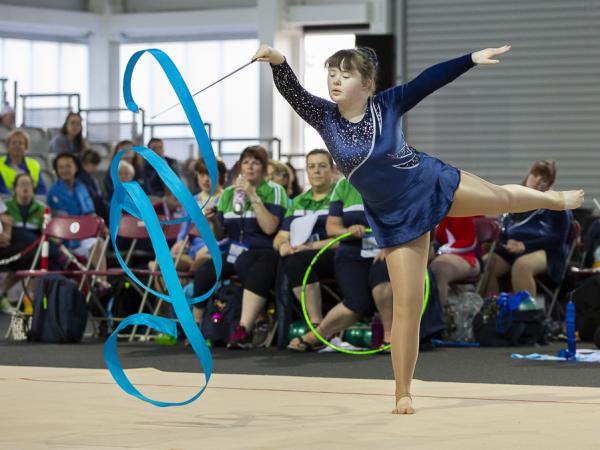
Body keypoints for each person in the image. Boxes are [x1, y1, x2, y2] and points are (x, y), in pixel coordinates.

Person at [254, 43, 584, 414]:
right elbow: (293, 92)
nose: (335, 81)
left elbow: (428, 81)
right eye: (331, 74)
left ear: (366, 83)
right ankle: (402, 392)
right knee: (407, 305)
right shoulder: (324, 117)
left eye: (345, 75)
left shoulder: (387, 105)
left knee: (501, 198)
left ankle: (553, 200)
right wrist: (278, 61)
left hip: (428, 181)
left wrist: (471, 59)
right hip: (395, 218)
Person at [193, 145, 288, 348]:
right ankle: (195, 327)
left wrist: (253, 196)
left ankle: (250, 324)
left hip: (264, 251)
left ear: (263, 167)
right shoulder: (228, 194)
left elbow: (271, 228)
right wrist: (212, 222)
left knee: (248, 265)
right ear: (240, 167)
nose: (250, 166)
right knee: (204, 271)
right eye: (246, 162)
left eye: (256, 162)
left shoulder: (275, 191)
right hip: (234, 249)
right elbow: (220, 235)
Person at [481, 160, 573, 297]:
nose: (537, 181)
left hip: (546, 251)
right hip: (513, 251)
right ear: (529, 175)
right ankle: (494, 310)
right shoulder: (516, 200)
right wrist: (504, 243)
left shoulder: (555, 205)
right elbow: (505, 229)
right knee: (487, 262)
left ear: (550, 184)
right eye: (535, 175)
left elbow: (558, 239)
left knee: (522, 266)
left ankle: (527, 316)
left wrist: (525, 245)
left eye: (544, 179)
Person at [272, 149, 336, 335]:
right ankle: (316, 325)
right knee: (290, 260)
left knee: (295, 261)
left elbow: (344, 238)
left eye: (322, 166)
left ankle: (317, 326)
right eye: (311, 167)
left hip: (332, 255)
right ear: (306, 172)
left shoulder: (339, 198)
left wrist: (308, 247)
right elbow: (281, 236)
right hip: (300, 257)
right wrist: (282, 245)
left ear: (332, 170)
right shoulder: (298, 202)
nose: (316, 171)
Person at [430, 215, 481, 313]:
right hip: (439, 254)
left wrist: (441, 250)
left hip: (467, 257)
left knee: (438, 269)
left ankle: (437, 320)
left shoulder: (458, 209)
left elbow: (470, 241)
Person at [0, 129, 47, 195]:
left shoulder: (34, 164)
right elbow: (2, 190)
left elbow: (41, 189)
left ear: (26, 147)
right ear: (7, 146)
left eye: (20, 143)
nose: (17, 146)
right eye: (13, 143)